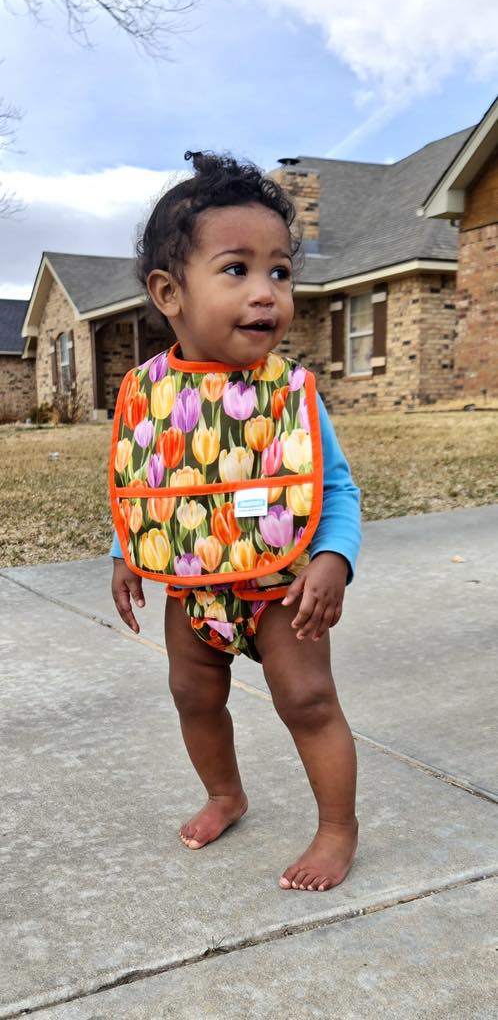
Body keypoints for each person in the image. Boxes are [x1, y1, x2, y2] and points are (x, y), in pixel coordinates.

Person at [110, 151, 361, 892]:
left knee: (309, 702)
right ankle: (226, 792)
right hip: (194, 588)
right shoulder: (145, 393)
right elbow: (141, 482)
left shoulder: (292, 392)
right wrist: (128, 553)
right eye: (238, 270)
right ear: (169, 292)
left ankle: (337, 828)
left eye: (280, 271)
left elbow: (334, 487)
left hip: (284, 587)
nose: (266, 293)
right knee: (193, 695)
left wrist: (334, 559)